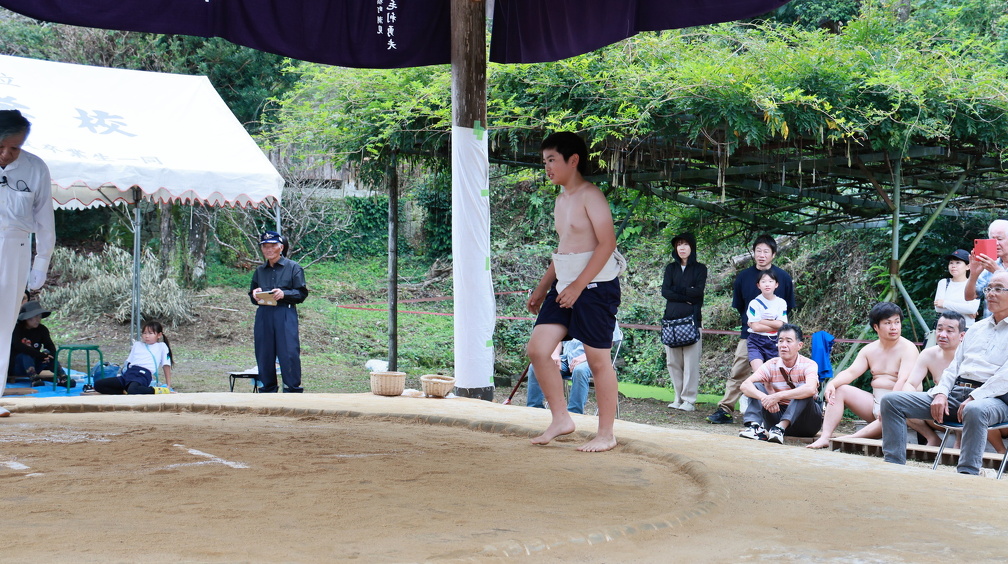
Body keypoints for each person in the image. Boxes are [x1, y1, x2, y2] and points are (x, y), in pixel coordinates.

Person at [526, 131, 624, 453]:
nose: (547, 167)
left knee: (597, 360)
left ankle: (606, 433)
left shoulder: (590, 195)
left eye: (552, 160)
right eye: (544, 161)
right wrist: (542, 288)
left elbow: (607, 244)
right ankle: (561, 419)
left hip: (595, 287)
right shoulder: (561, 200)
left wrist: (578, 286)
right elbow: (564, 249)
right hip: (564, 285)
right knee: (538, 349)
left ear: (573, 160)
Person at [881, 271, 1008, 475]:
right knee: (891, 401)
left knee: (975, 409)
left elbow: (1005, 378)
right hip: (957, 392)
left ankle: (967, 473)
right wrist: (941, 392)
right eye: (989, 288)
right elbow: (954, 368)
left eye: (999, 289)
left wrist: (975, 396)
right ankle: (893, 467)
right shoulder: (976, 329)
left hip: (995, 399)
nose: (991, 293)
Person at [0, 110, 56, 417]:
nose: (6, 154)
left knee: (4, 323)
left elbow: (45, 220)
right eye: (0, 147)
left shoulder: (36, 168)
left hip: (16, 249)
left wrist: (41, 263)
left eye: (14, 148)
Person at [707, 234, 795, 425]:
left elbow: (786, 311)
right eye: (758, 251)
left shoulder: (783, 278)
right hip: (749, 336)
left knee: (778, 374)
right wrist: (756, 324)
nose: (762, 255)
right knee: (738, 371)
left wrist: (767, 324)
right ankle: (725, 410)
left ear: (773, 254)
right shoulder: (743, 277)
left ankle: (779, 413)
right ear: (753, 253)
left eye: (766, 251)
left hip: (776, 339)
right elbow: (741, 306)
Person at [807, 302, 920, 449]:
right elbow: (851, 372)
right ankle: (825, 437)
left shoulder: (908, 348)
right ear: (876, 327)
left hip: (899, 403)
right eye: (888, 323)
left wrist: (888, 404)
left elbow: (903, 380)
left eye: (897, 322)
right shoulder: (869, 350)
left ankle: (851, 438)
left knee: (893, 408)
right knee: (840, 390)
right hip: (875, 402)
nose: (894, 327)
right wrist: (832, 384)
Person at [738, 324, 822, 443]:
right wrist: (765, 398)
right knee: (756, 386)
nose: (783, 345)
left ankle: (780, 428)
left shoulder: (809, 364)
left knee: (804, 388)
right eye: (780, 341)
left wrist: (778, 396)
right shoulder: (771, 364)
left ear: (799, 345)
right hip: (776, 417)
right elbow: (745, 385)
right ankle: (755, 428)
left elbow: (811, 389)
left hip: (806, 422)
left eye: (788, 341)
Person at [893, 312, 967, 445]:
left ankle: (959, 441)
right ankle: (932, 438)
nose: (942, 335)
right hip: (937, 412)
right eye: (939, 329)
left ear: (962, 335)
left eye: (949, 331)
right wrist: (909, 399)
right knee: (903, 402)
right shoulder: (928, 354)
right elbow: (911, 383)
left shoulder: (969, 356)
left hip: (963, 411)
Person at [250, 230, 308, 393]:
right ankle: (267, 390)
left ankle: (292, 390)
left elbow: (301, 293)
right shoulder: (260, 271)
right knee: (264, 352)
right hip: (264, 314)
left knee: (288, 352)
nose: (268, 249)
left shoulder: (293, 267)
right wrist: (255, 294)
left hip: (285, 313)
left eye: (272, 246)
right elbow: (252, 296)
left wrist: (284, 294)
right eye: (265, 246)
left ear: (281, 247)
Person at [526, 324, 622, 415]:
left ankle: (574, 412)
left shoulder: (605, 314)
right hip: (567, 358)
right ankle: (534, 408)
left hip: (593, 360)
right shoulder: (570, 313)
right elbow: (558, 338)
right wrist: (555, 354)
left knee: (579, 370)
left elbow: (608, 344)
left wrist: (584, 357)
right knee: (536, 366)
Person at [661, 232, 707, 412]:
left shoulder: (700, 269)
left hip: (692, 321)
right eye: (679, 244)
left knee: (690, 363)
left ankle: (689, 400)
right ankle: (678, 397)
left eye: (685, 244)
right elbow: (665, 292)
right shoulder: (670, 268)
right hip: (671, 321)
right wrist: (687, 293)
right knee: (673, 362)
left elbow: (698, 293)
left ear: (692, 247)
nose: (682, 247)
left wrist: (676, 291)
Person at [93, 321, 173, 395]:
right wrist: (121, 374)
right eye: (144, 333)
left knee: (133, 390)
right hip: (130, 373)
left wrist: (168, 385)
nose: (146, 336)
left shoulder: (161, 346)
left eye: (150, 333)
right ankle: (124, 391)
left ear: (159, 335)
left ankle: (156, 390)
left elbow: (166, 365)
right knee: (98, 385)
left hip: (143, 374)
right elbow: (128, 362)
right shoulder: (137, 344)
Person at [745, 270, 788, 373]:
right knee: (760, 374)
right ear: (758, 285)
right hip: (756, 341)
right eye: (763, 281)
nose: (767, 284)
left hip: (776, 341)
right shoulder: (754, 304)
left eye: (770, 281)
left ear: (776, 284)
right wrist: (775, 324)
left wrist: (761, 321)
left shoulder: (781, 303)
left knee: (777, 375)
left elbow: (781, 325)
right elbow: (756, 328)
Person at [965, 219, 1008, 319]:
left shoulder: (992, 266)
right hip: (992, 325)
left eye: (1000, 239)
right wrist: (973, 274)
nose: (996, 243)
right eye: (992, 239)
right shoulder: (990, 264)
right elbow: (969, 297)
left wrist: (997, 271)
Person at [9, 300, 57, 382]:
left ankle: (62, 376)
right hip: (17, 367)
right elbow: (19, 346)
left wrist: (49, 355)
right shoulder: (16, 329)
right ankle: (34, 378)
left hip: (35, 364)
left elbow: (50, 346)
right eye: (35, 317)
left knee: (48, 354)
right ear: (26, 318)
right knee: (25, 355)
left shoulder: (42, 329)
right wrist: (40, 355)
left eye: (39, 316)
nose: (38, 320)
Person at [933, 249, 980, 327]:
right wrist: (965, 310)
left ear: (968, 266)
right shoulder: (944, 283)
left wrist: (944, 303)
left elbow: (972, 309)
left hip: (966, 328)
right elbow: (938, 308)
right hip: (946, 329)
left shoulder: (974, 284)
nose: (953, 266)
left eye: (958, 262)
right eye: (951, 263)